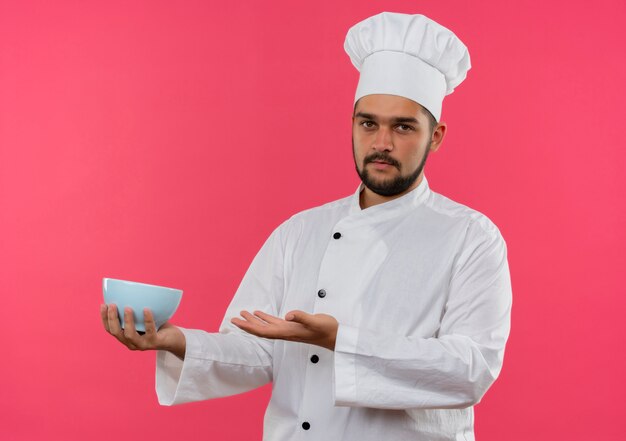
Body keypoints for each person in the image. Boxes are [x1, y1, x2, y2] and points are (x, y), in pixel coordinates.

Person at [101, 12, 512, 441]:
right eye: (368, 123)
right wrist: (173, 340)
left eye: (403, 127)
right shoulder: (299, 232)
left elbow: (471, 369)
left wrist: (340, 340)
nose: (381, 143)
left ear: (437, 135)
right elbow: (257, 351)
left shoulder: (470, 238)